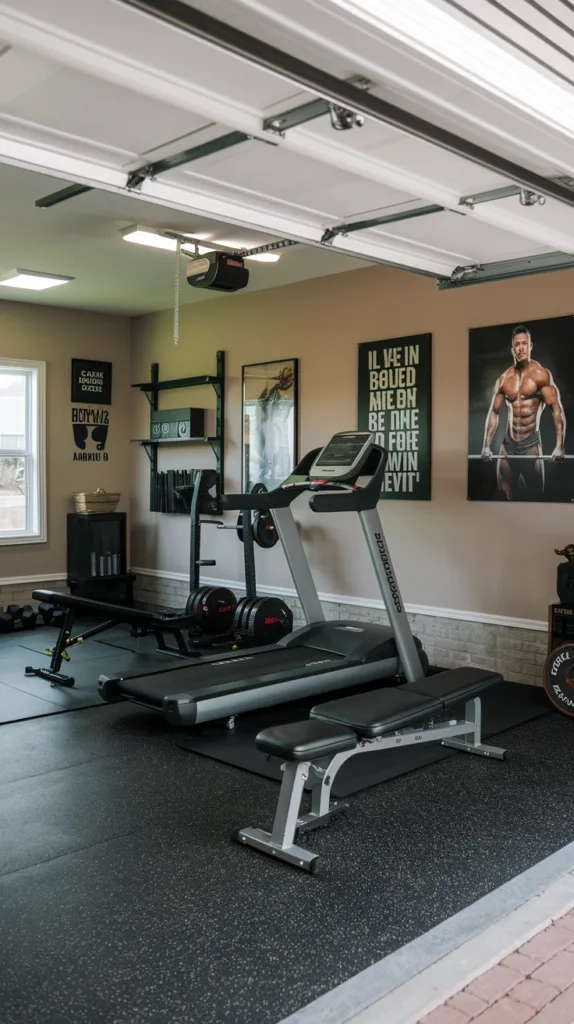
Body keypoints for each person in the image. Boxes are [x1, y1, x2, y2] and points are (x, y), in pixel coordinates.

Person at [480, 325, 566, 500]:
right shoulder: (504, 379)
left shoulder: (541, 375)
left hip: (530, 446)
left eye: (524, 343)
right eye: (517, 344)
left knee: (535, 498)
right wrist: (486, 446)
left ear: (530, 346)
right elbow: (494, 412)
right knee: (504, 497)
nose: (521, 348)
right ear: (513, 349)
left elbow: (556, 409)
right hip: (508, 445)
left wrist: (559, 446)